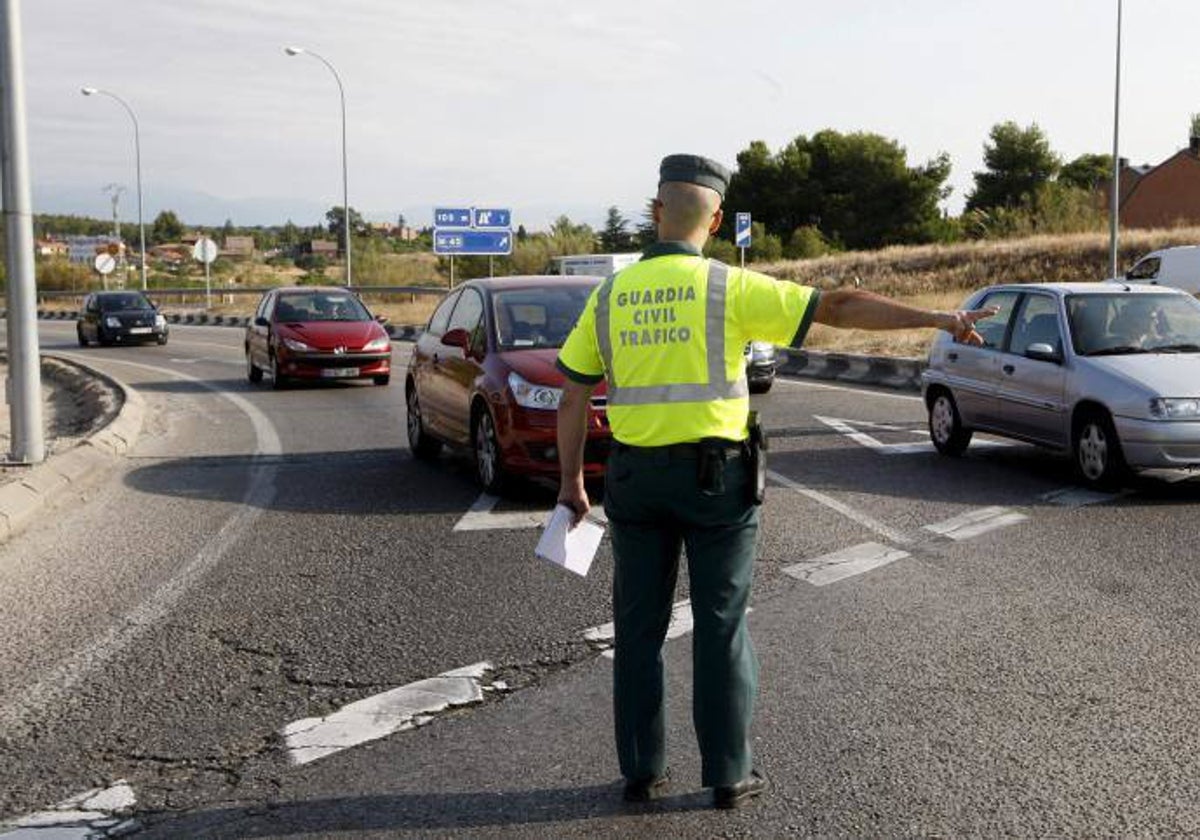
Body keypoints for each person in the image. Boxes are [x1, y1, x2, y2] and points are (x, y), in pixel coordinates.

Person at [554, 153, 995, 810]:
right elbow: (839, 306)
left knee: (638, 631)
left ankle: (642, 771)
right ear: (717, 219)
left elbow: (572, 393)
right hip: (715, 482)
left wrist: (570, 485)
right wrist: (936, 321)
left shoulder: (609, 296)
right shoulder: (726, 287)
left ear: (656, 213)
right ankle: (729, 773)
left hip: (635, 481)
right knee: (720, 625)